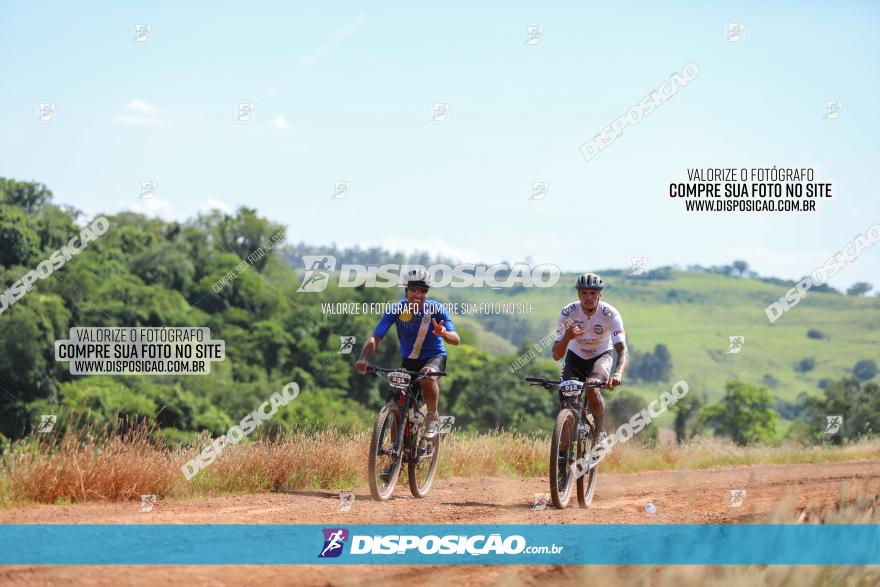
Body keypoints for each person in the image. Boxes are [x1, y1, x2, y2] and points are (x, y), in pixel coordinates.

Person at [355, 268, 460, 442]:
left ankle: (432, 416)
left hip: (434, 357)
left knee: (427, 377)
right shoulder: (396, 309)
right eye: (413, 289)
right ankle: (396, 454)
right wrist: (364, 357)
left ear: (427, 293)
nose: (418, 294)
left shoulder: (436, 309)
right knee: (400, 402)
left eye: (423, 291)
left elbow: (456, 339)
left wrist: (443, 333)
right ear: (406, 290)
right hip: (409, 361)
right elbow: (375, 337)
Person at [551, 272, 628, 452]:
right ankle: (564, 450)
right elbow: (556, 355)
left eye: (593, 293)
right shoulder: (567, 313)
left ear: (600, 295)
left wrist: (617, 374)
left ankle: (598, 431)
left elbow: (622, 350)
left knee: (593, 389)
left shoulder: (610, 314)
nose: (589, 298)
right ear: (578, 295)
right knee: (568, 396)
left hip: (601, 356)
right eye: (584, 293)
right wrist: (568, 336)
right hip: (575, 357)